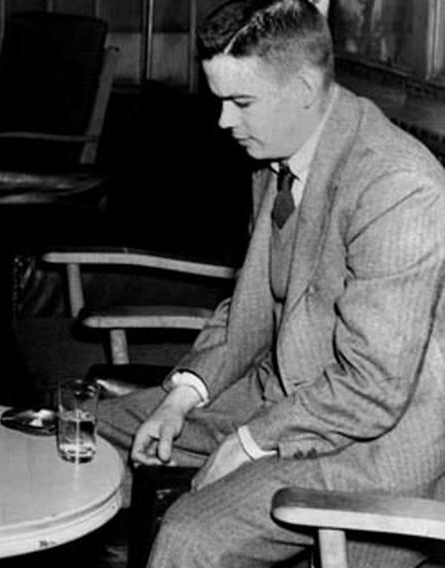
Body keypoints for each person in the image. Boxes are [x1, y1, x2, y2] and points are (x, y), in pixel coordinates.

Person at [97, 0, 445, 566]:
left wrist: (249, 443)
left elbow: (373, 388)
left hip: (372, 444)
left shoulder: (398, 185)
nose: (223, 122)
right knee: (80, 435)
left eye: (240, 102)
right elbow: (251, 306)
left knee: (190, 537)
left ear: (305, 87)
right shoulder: (277, 156)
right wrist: (180, 398)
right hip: (281, 397)